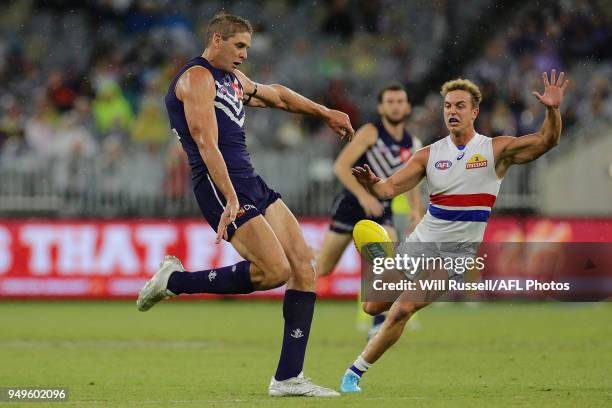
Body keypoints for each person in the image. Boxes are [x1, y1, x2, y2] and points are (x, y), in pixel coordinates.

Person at [136, 12, 353, 397]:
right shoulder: (197, 78)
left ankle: (288, 378)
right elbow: (205, 142)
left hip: (250, 182)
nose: (244, 55)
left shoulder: (233, 81)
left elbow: (279, 96)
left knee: (303, 266)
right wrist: (232, 198)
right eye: (239, 46)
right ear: (216, 40)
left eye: (248, 48)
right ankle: (175, 282)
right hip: (219, 186)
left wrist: (324, 113)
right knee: (273, 271)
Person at [339, 70, 569, 393]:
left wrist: (552, 110)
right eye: (448, 106)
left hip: (456, 254)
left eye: (460, 106)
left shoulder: (495, 150)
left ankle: (354, 373)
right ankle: (382, 258)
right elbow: (389, 188)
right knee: (373, 306)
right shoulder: (429, 155)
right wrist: (372, 184)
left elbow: (547, 141)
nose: (452, 112)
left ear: (474, 112)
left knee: (404, 308)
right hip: (422, 241)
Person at [316, 83, 424, 335]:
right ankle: (299, 273)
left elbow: (411, 181)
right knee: (323, 268)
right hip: (352, 204)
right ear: (381, 107)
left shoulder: (414, 143)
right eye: (390, 101)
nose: (395, 106)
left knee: (388, 259)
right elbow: (341, 167)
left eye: (399, 101)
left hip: (380, 208)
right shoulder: (370, 133)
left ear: (407, 107)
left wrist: (416, 210)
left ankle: (378, 324)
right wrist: (364, 196)